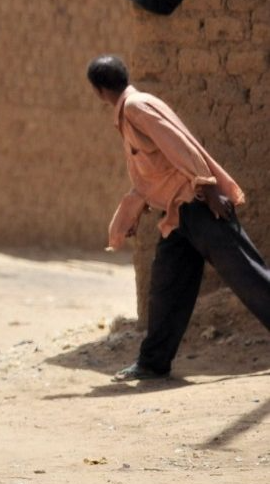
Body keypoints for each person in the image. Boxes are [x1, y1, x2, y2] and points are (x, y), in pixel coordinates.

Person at [88, 55, 270, 381]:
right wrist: (133, 211)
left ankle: (152, 362)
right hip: (177, 213)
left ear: (99, 91)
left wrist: (209, 189)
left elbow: (181, 147)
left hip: (199, 206)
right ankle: (153, 363)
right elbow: (154, 171)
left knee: (249, 276)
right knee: (167, 288)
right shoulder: (133, 109)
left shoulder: (136, 107)